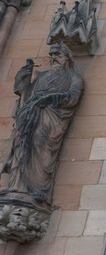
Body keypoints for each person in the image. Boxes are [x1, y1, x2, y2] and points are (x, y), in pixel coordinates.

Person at [1, 43, 84, 205]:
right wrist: (22, 78)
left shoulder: (74, 78)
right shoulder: (42, 76)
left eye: (57, 55)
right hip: (29, 115)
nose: (53, 58)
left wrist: (51, 98)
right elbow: (25, 93)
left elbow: (73, 97)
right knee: (22, 145)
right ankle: (16, 186)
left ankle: (37, 188)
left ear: (67, 58)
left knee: (40, 144)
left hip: (50, 119)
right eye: (51, 55)